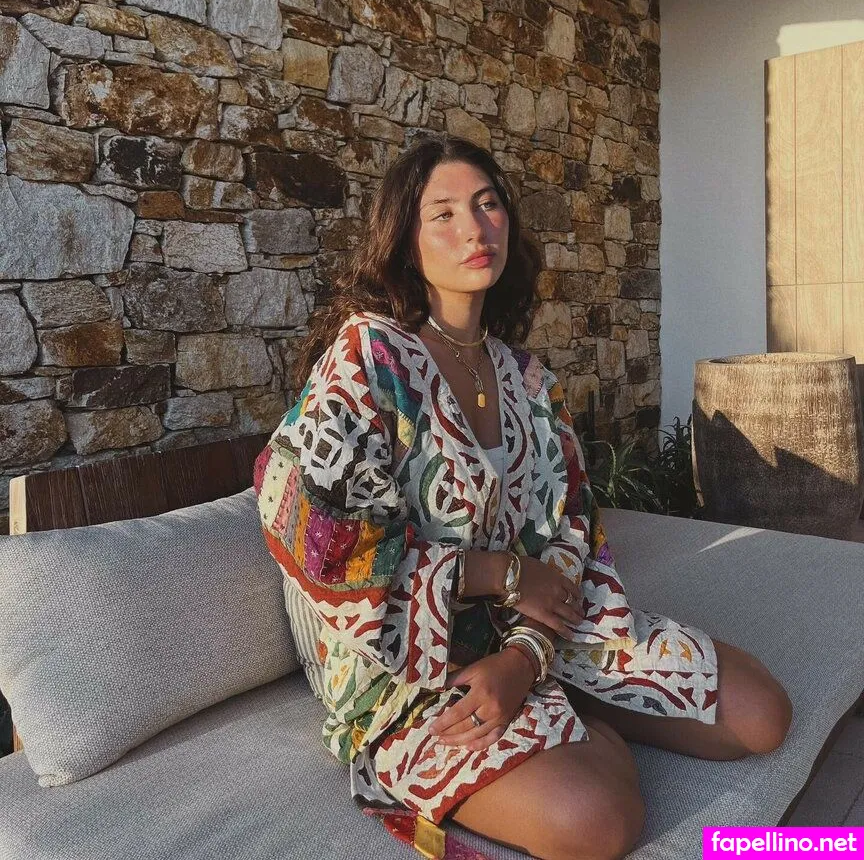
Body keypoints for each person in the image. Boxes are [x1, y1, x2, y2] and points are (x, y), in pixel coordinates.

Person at [253, 135, 792, 860]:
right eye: (443, 214)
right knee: (596, 822)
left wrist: (527, 656)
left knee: (762, 714)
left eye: (488, 204)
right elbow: (317, 535)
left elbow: (571, 530)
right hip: (408, 674)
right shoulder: (369, 360)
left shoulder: (528, 380)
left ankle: (561, 696)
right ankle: (571, 725)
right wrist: (500, 574)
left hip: (543, 631)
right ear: (407, 242)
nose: (474, 229)